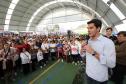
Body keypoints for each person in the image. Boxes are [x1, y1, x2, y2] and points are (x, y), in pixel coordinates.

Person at [83, 19, 116, 84]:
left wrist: (93, 52)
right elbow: (85, 56)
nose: (88, 30)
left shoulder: (108, 42)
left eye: (91, 28)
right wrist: (82, 51)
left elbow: (112, 64)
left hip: (99, 78)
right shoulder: (88, 41)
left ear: (98, 28)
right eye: (88, 28)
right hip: (88, 74)